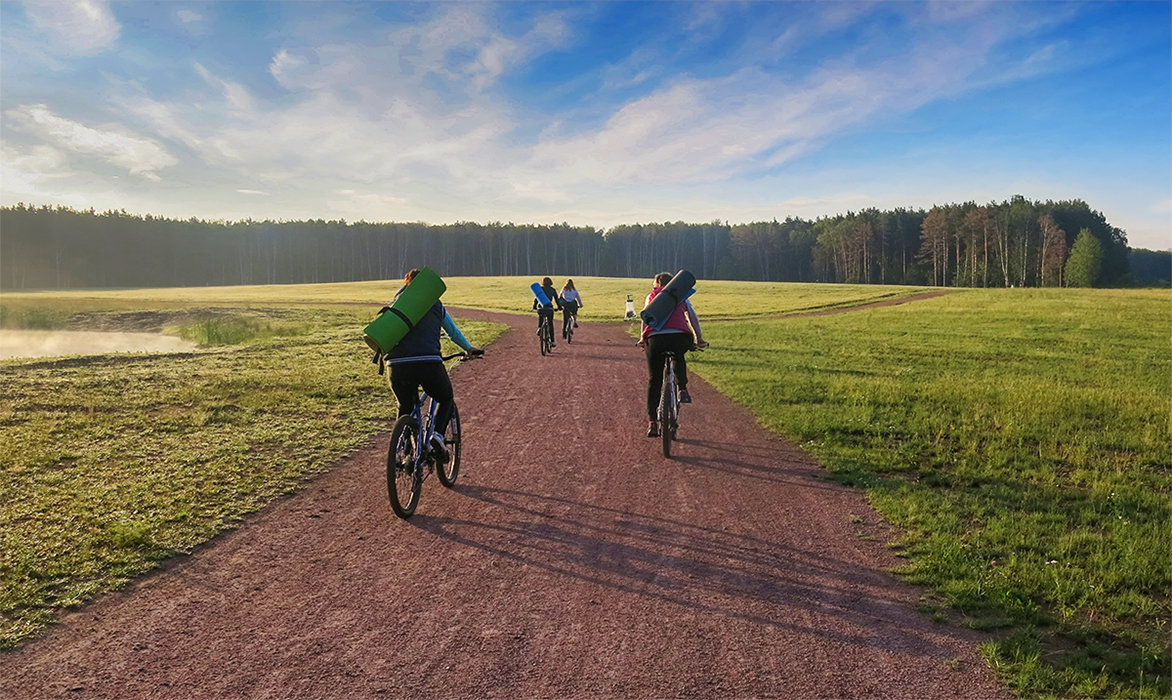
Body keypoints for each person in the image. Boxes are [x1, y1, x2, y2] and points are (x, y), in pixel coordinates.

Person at [381, 269, 482, 463]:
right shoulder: (435, 304)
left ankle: (401, 450)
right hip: (428, 362)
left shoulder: (396, 303)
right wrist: (468, 348)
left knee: (405, 405)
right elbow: (453, 332)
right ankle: (437, 436)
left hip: (395, 365)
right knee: (445, 397)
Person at [636, 271, 708, 438]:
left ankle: (652, 422)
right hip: (678, 336)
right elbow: (692, 316)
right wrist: (700, 339)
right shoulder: (680, 294)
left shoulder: (652, 295)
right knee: (679, 355)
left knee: (654, 380)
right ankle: (682, 388)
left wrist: (642, 338)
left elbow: (645, 317)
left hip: (655, 339)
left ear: (656, 284)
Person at [532, 276, 561, 348]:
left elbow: (536, 299)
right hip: (549, 308)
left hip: (541, 308)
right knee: (550, 324)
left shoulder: (540, 289)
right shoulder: (553, 290)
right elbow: (557, 300)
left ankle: (539, 328)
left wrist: (534, 306)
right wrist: (559, 307)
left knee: (541, 316)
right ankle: (552, 341)